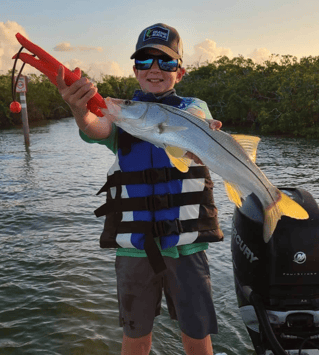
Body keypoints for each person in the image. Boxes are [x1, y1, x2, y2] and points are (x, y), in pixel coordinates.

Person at [57, 23, 224, 355]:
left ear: (181, 70)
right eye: (145, 61)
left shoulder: (194, 106)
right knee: (136, 338)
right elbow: (95, 125)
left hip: (186, 246)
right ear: (135, 70)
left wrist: (196, 132)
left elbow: (195, 116)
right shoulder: (123, 116)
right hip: (136, 249)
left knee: (196, 335)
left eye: (166, 62)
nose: (155, 69)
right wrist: (79, 108)